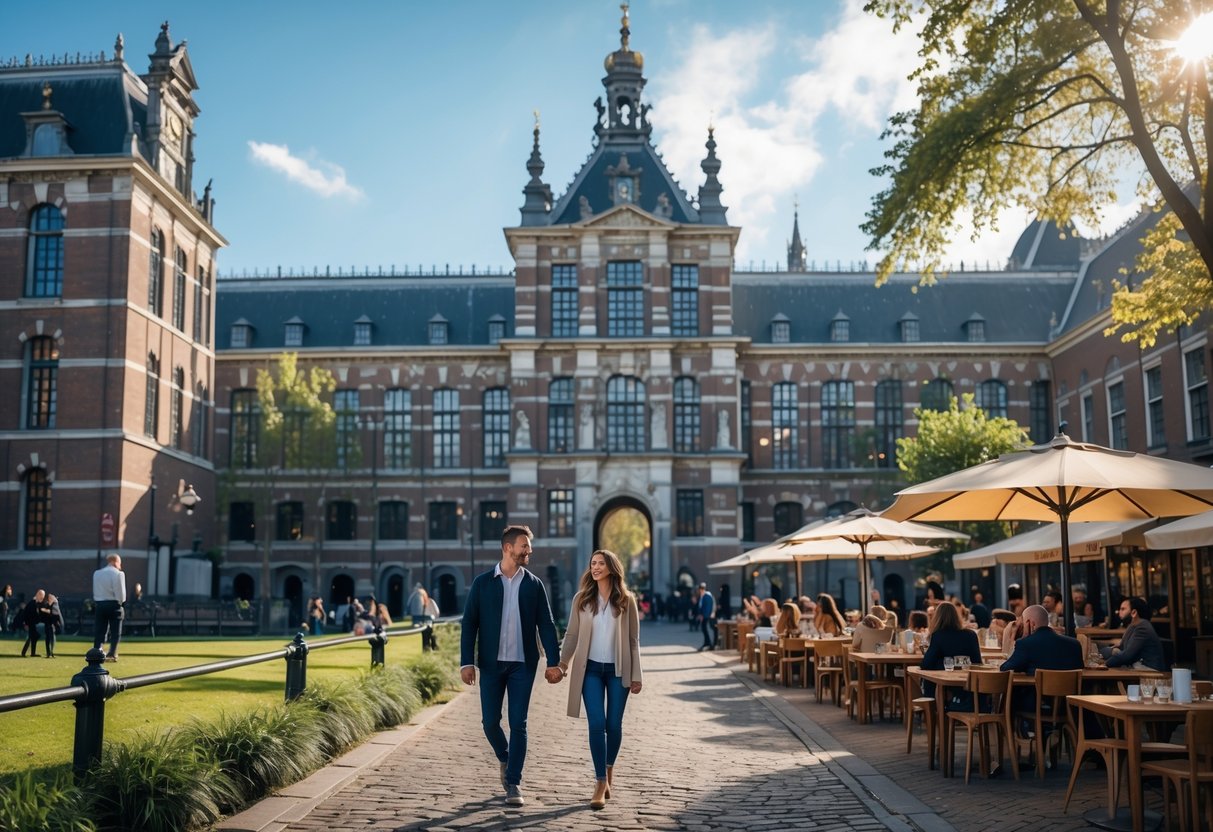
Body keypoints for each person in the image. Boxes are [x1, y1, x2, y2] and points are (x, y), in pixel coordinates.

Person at [460, 525, 561, 807]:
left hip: (523, 666)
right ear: (508, 548)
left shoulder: (534, 584)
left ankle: (513, 783)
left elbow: (547, 625)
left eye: (528, 546)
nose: (529, 551)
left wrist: (554, 662)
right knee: (490, 722)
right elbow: (469, 624)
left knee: (519, 723)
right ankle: (505, 758)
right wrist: (466, 662)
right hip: (491, 665)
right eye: (524, 546)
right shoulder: (482, 583)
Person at [557, 549, 643, 810]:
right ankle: (599, 781)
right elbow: (571, 635)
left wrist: (637, 675)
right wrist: (563, 663)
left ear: (612, 568)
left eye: (600, 563)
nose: (595, 567)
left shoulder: (627, 601)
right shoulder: (581, 599)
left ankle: (608, 769)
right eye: (592, 563)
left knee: (613, 724)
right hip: (590, 670)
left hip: (618, 670)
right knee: (596, 723)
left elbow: (633, 640)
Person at [1000, 604, 1083, 713]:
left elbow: (1005, 668)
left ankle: (1015, 730)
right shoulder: (1074, 644)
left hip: (1038, 706)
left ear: (1030, 623)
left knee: (1011, 694)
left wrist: (1024, 639)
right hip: (1070, 706)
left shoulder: (1025, 644)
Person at [920, 601, 983, 709]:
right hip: (969, 686)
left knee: (928, 680)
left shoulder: (938, 636)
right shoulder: (971, 635)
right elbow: (978, 662)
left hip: (947, 685)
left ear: (937, 618)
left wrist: (942, 663)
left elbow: (926, 664)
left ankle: (933, 714)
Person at [1101, 596, 1166, 671]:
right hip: (1137, 667)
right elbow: (1121, 648)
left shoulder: (1143, 627)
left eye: (1123, 609)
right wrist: (1103, 653)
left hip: (1150, 672)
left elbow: (1126, 655)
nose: (1119, 612)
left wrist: (1105, 664)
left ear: (1134, 612)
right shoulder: (1132, 626)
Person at [93, 553, 126, 661]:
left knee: (100, 630)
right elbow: (120, 593)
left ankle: (98, 651)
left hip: (100, 604)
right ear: (115, 561)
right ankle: (112, 653)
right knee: (116, 631)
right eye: (119, 563)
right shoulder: (118, 574)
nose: (120, 566)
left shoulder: (97, 573)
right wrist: (121, 603)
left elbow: (96, 591)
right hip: (114, 604)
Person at [36, 592, 64, 658]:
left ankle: (51, 652)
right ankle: (49, 653)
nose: (51, 598)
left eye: (52, 597)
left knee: (52, 639)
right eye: (50, 597)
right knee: (48, 639)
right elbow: (42, 610)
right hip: (47, 624)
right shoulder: (46, 604)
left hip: (52, 625)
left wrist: (47, 611)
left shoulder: (54, 604)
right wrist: (46, 610)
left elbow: (55, 613)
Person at [19, 590, 44, 657]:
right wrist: (26, 624)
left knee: (33, 637)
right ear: (38, 595)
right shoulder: (32, 604)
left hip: (31, 624)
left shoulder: (34, 603)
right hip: (30, 624)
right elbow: (26, 614)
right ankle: (25, 653)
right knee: (33, 637)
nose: (42, 598)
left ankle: (31, 653)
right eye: (42, 596)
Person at [696, 583, 717, 651]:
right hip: (706, 616)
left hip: (707, 617)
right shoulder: (704, 596)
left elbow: (707, 608)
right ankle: (707, 643)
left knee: (707, 630)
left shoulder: (707, 596)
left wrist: (703, 615)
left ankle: (709, 644)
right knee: (705, 630)